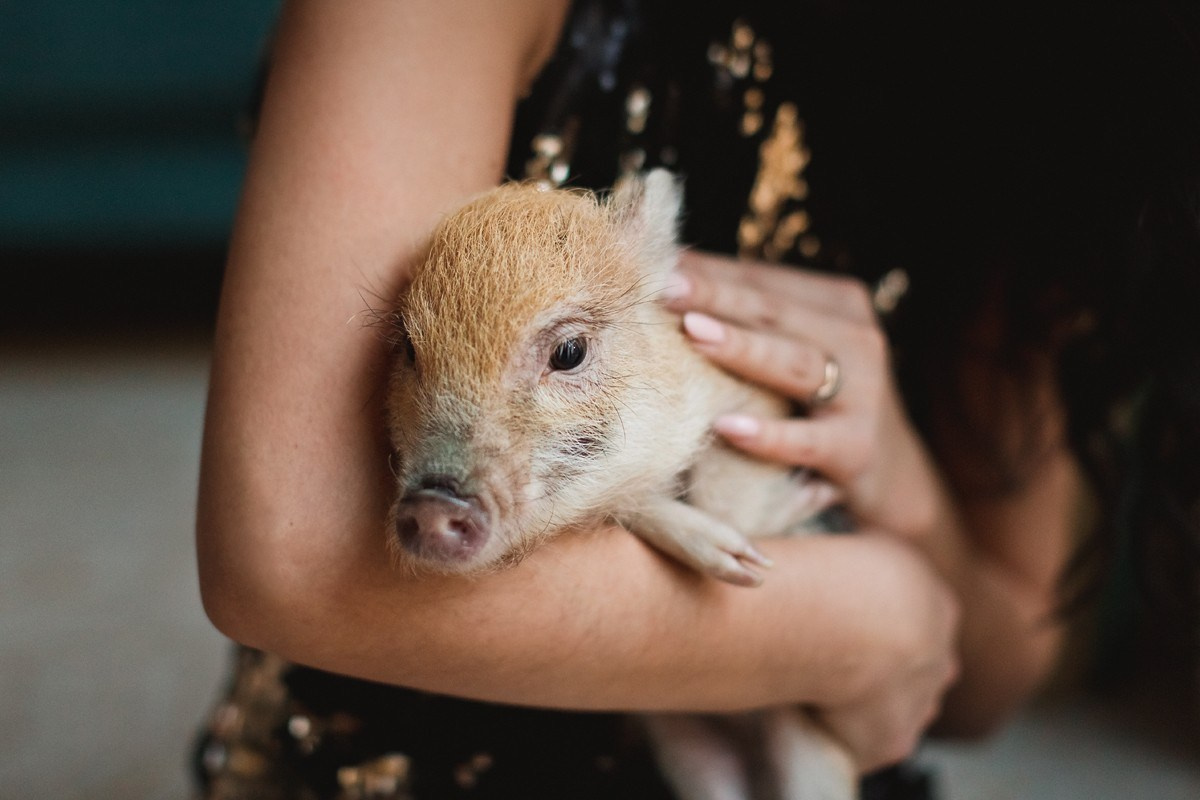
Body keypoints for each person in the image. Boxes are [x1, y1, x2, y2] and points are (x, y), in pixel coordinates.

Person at [192, 1, 1200, 798]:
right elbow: (290, 557)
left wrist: (896, 474)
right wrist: (862, 617)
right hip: (401, 759)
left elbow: (991, 674)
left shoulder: (1059, 85)